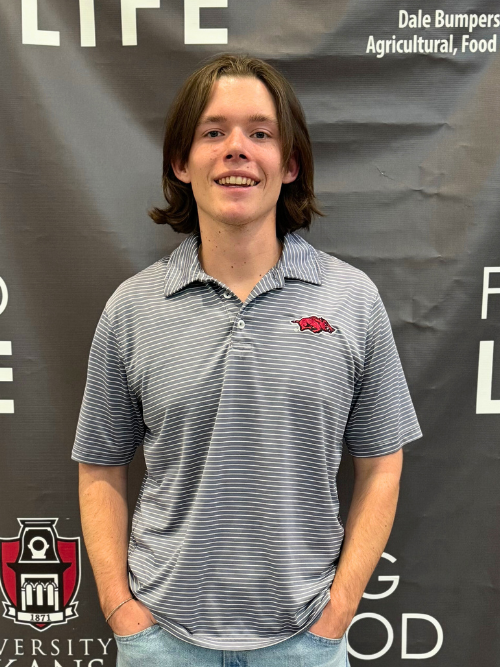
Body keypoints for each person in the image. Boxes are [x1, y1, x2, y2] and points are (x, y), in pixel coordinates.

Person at [72, 53, 422, 667]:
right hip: (162, 643)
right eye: (214, 132)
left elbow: (382, 464)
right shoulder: (132, 307)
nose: (237, 149)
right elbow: (100, 470)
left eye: (260, 133)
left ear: (289, 164)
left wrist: (338, 611)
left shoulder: (351, 298)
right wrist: (122, 611)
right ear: (182, 163)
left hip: (305, 642)